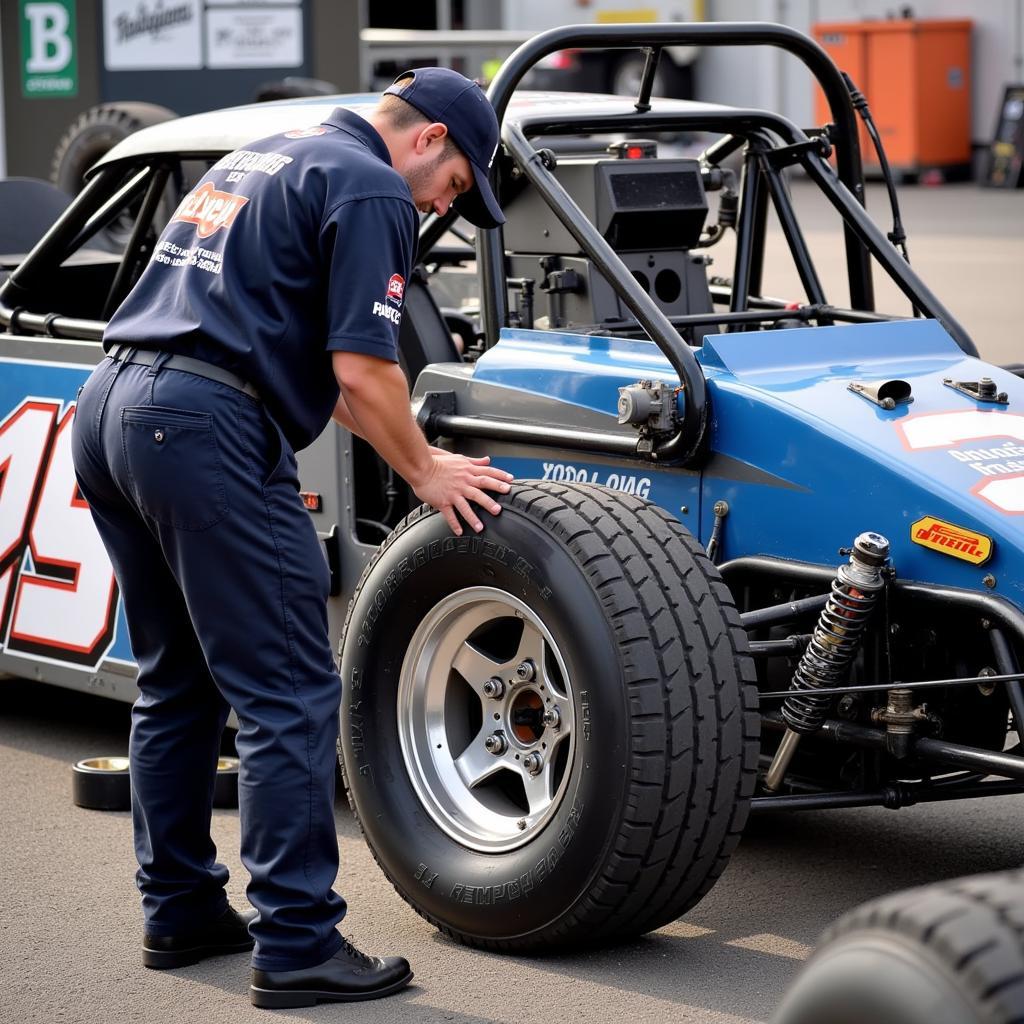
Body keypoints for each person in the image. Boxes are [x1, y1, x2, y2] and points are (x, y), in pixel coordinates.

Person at [71, 67, 511, 1009]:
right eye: (459, 185)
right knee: (292, 692)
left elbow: (314, 366)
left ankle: (182, 909)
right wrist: (428, 469)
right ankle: (300, 943)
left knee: (178, 681)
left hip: (111, 405)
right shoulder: (374, 185)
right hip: (198, 427)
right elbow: (362, 365)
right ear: (429, 139)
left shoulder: (267, 154)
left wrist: (399, 438)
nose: (442, 207)